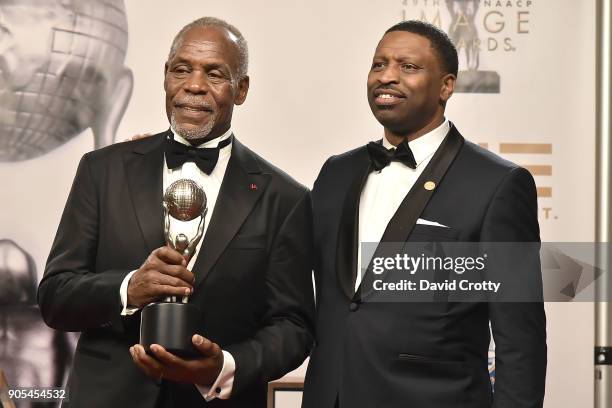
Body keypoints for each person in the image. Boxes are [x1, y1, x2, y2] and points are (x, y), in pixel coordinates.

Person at [38, 17, 315, 408]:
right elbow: (54, 296)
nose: (194, 85)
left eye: (215, 73)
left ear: (242, 89)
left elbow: (294, 327)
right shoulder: (102, 170)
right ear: (166, 75)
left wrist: (224, 366)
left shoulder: (284, 198)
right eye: (181, 70)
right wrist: (128, 288)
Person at [302, 20, 546, 408]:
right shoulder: (336, 173)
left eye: (408, 67)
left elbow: (521, 341)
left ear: (446, 86)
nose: (387, 77)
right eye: (378, 64)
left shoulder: (498, 184)